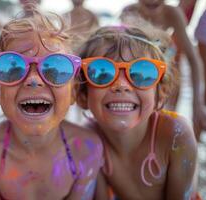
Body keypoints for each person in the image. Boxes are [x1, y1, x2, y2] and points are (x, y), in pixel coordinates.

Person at [0, 9, 103, 199]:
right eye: (12, 67)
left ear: (73, 92)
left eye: (56, 68)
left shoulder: (85, 149)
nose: (33, 80)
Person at [77, 25, 198, 199]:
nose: (121, 85)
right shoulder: (88, 140)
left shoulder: (175, 135)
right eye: (102, 73)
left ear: (160, 93)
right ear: (82, 95)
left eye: (141, 73)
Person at [121, 0, 206, 139]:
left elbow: (193, 59)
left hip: (166, 76)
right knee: (139, 130)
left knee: (166, 128)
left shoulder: (173, 13)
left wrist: (197, 104)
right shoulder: (129, 12)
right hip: (140, 77)